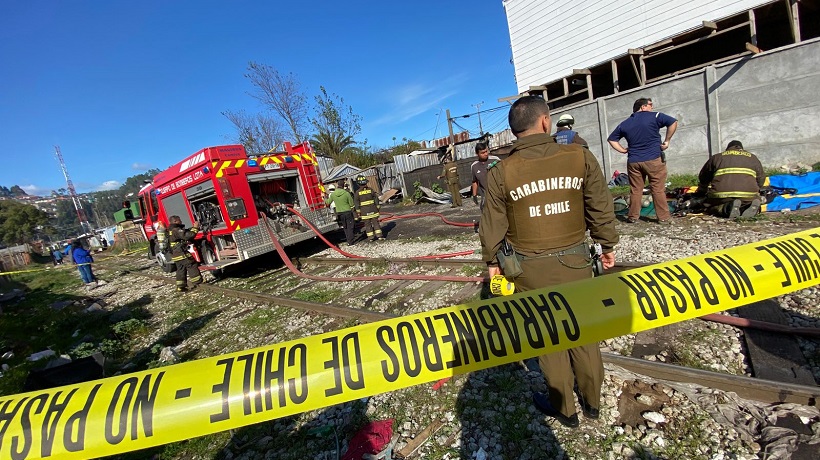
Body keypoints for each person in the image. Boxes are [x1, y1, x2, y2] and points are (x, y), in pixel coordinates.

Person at [479, 96, 618, 428]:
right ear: (545, 121)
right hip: (576, 260)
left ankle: (565, 409)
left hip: (528, 268)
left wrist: (491, 262)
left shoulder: (502, 172)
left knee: (549, 337)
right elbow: (599, 203)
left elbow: (492, 222)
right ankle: (593, 403)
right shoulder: (578, 156)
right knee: (584, 331)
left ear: (514, 131)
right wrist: (606, 242)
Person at [607, 97, 678, 224]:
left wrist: (623, 150)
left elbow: (611, 139)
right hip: (653, 159)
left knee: (635, 189)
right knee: (657, 188)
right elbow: (673, 122)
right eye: (650, 104)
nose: (652, 107)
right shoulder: (655, 116)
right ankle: (663, 217)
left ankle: (633, 217)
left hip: (634, 161)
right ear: (643, 107)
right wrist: (667, 141)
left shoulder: (625, 123)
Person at [697, 140, 765, 218]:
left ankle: (726, 208)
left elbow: (704, 177)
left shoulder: (717, 157)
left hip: (722, 196)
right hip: (748, 195)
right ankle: (748, 208)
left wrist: (702, 191)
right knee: (746, 201)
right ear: (742, 149)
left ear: (728, 149)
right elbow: (761, 179)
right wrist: (756, 189)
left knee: (709, 206)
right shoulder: (753, 158)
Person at [168, 215, 203, 292]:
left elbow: (185, 232)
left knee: (181, 269)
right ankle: (198, 282)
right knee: (191, 264)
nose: (181, 221)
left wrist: (191, 229)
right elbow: (188, 236)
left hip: (175, 254)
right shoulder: (176, 230)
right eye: (179, 220)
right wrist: (196, 227)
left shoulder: (170, 230)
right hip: (181, 253)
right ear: (175, 221)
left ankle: (180, 286)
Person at [470, 141, 501, 209]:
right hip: (485, 196)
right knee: (486, 215)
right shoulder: (474, 166)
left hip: (499, 195)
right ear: (477, 154)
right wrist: (474, 195)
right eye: (482, 153)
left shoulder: (495, 160)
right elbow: (475, 181)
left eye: (486, 151)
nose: (486, 154)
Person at [354, 175, 385, 241]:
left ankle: (371, 238)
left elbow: (356, 203)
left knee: (367, 225)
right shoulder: (370, 190)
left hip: (364, 212)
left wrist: (358, 212)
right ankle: (379, 236)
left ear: (358, 184)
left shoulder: (357, 193)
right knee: (376, 223)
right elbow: (376, 198)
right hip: (373, 210)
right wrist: (378, 206)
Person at [325, 182, 357, 246]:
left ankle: (348, 240)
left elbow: (328, 202)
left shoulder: (333, 194)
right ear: (343, 186)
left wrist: (324, 198)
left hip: (340, 213)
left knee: (345, 227)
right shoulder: (346, 194)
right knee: (350, 227)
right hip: (348, 212)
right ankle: (351, 241)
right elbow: (352, 204)